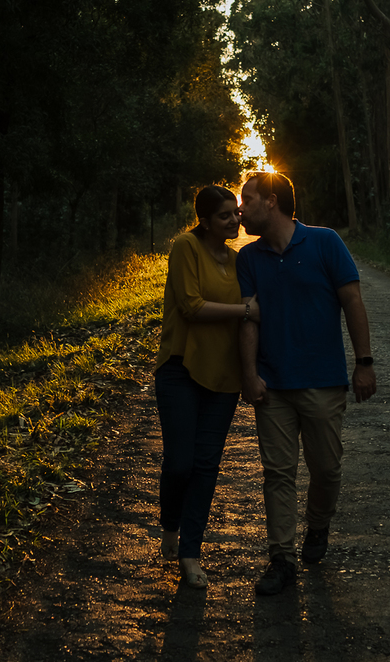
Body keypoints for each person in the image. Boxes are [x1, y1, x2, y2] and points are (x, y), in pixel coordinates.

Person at [236, 171, 377, 596]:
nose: (241, 208)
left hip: (323, 381)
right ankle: (281, 558)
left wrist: (364, 363)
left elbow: (352, 300)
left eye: (248, 199)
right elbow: (248, 317)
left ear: (272, 201)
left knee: (326, 469)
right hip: (273, 384)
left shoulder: (325, 242)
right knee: (277, 473)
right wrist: (249, 374)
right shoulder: (249, 259)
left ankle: (318, 525)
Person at [154, 184, 258, 589]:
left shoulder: (237, 259)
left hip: (223, 376)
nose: (235, 220)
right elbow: (190, 306)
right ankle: (170, 524)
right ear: (205, 220)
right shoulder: (185, 247)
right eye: (225, 215)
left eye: (236, 213)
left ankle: (190, 552)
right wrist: (245, 310)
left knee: (206, 466)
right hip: (181, 367)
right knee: (180, 462)